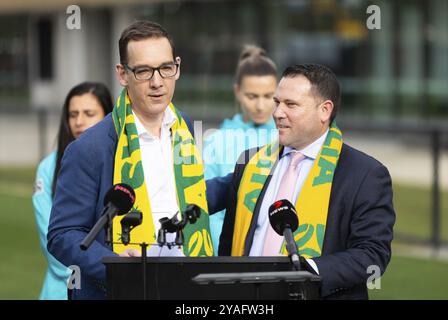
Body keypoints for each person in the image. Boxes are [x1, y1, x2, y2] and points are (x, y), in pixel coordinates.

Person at [47, 20, 228, 299]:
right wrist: (118, 265)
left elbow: (189, 199)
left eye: (166, 68)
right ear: (122, 74)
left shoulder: (184, 127)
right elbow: (63, 234)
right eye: (143, 71)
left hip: (184, 286)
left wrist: (242, 178)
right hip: (119, 290)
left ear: (177, 67)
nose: (157, 82)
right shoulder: (89, 148)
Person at [219, 64, 395, 299]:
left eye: (291, 104)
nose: (277, 113)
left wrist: (308, 270)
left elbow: (372, 254)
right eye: (277, 102)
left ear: (324, 111)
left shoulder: (366, 174)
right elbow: (228, 244)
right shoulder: (250, 162)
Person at [32, 82, 113, 300]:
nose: (79, 121)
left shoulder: (121, 162)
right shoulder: (48, 168)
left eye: (89, 113)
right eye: (73, 114)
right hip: (62, 288)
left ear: (107, 116)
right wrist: (110, 271)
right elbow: (53, 239)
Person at [203, 45, 278, 254]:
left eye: (268, 95)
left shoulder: (289, 137)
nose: (261, 106)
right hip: (230, 251)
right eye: (252, 96)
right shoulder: (217, 142)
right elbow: (209, 209)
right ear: (237, 91)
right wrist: (228, 256)